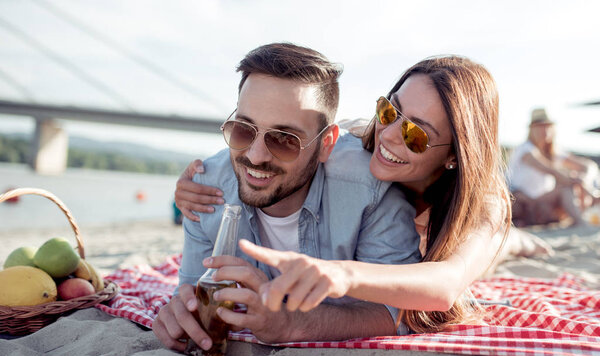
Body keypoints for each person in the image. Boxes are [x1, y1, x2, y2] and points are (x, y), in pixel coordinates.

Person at [177, 55, 558, 334]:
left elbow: (445, 284)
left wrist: (343, 274)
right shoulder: (360, 141)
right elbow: (280, 144)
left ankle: (520, 240)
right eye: (391, 111)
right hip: (394, 250)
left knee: (497, 252)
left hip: (444, 245)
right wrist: (202, 178)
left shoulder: (484, 202)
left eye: (416, 135)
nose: (390, 135)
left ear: (455, 156)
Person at [152, 43, 422, 353]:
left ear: (325, 144)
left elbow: (397, 312)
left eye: (284, 140)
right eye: (243, 129)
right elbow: (190, 292)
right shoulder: (205, 190)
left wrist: (290, 324)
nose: (255, 156)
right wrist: (181, 311)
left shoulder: (371, 190)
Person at [508, 108, 599, 227]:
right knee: (566, 187)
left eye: (547, 126)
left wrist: (583, 180)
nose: (544, 130)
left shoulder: (554, 151)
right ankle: (582, 221)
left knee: (571, 184)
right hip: (523, 201)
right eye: (540, 126)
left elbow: (589, 166)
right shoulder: (525, 150)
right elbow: (550, 170)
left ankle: (584, 217)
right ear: (531, 129)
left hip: (544, 200)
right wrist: (577, 182)